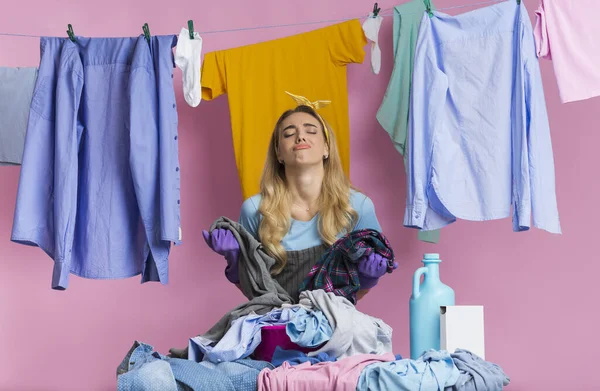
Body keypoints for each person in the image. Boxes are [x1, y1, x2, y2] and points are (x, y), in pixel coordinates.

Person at [203, 92, 394, 302]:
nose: (300, 137)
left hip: (334, 325)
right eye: (288, 134)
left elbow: (354, 294)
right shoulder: (255, 209)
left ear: (326, 148)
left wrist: (368, 278)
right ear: (278, 153)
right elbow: (254, 291)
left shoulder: (358, 206)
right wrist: (234, 259)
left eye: (311, 131)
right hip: (274, 324)